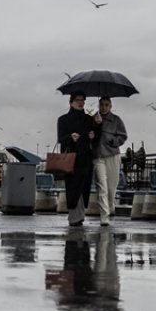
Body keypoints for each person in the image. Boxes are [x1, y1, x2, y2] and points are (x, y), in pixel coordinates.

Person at [56, 91, 96, 226]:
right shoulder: (63, 119)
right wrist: (70, 138)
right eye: (78, 100)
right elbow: (60, 138)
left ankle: (78, 216)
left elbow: (95, 138)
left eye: (83, 100)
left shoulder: (89, 119)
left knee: (83, 187)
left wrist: (94, 134)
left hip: (85, 159)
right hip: (71, 159)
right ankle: (75, 217)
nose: (80, 103)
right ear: (71, 102)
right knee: (73, 188)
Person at [92, 97, 128, 226]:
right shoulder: (93, 119)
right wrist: (96, 126)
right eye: (101, 104)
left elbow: (123, 136)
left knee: (111, 188)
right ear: (98, 105)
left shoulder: (116, 120)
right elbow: (89, 136)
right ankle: (104, 216)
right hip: (98, 157)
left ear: (110, 106)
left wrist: (113, 141)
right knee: (101, 186)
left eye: (106, 105)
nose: (103, 107)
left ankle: (110, 206)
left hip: (112, 155)